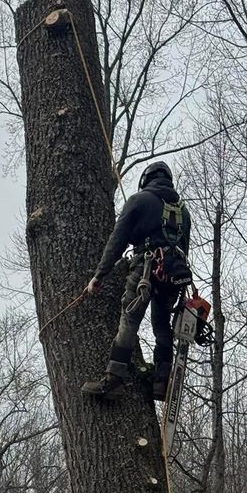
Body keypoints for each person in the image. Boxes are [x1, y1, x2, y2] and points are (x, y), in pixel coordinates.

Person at [81, 161, 192, 401]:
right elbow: (185, 247)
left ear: (146, 180)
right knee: (162, 328)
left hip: (146, 269)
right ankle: (161, 382)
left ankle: (114, 380)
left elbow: (117, 241)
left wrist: (99, 275)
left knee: (129, 319)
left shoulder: (139, 201)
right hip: (174, 275)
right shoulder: (184, 212)